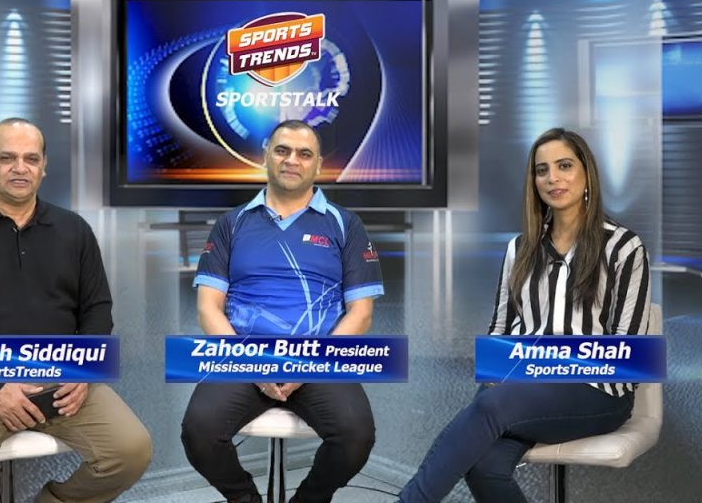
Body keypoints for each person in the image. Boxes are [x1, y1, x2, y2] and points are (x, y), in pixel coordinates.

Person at [398, 127, 652, 503]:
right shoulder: (519, 248)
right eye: (542, 170)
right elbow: (501, 328)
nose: (553, 178)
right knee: (483, 464)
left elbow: (627, 353)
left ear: (587, 174)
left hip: (598, 393)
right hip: (521, 388)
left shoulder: (623, 246)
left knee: (490, 407)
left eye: (564, 166)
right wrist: (499, 376)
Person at [0, 118, 151, 503]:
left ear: (44, 167)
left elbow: (97, 308)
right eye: (7, 158)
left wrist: (83, 372)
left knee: (130, 452)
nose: (20, 168)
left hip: (59, 374)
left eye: (31, 159)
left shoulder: (74, 230)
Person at [181, 120, 385, 503]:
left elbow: (361, 314)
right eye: (282, 150)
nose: (292, 160)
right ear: (266, 157)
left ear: (318, 164)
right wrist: (252, 364)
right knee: (199, 431)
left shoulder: (346, 224)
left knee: (356, 436)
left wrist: (307, 365)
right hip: (243, 357)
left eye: (304, 154)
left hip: (319, 359)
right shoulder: (231, 223)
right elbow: (209, 308)